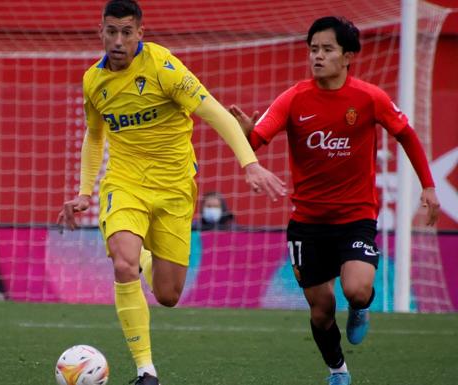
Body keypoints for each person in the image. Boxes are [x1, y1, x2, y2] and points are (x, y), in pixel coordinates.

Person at [57, 1, 286, 384]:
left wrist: (250, 163)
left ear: (140, 33)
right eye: (110, 31)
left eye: (126, 32)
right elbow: (95, 135)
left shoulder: (164, 68)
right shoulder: (93, 81)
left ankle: (146, 259)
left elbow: (214, 111)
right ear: (100, 31)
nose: (117, 40)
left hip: (175, 188)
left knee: (167, 294)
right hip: (124, 184)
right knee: (123, 261)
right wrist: (84, 191)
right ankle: (146, 371)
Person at [229, 16, 440, 385]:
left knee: (356, 289)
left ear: (347, 57)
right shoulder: (294, 98)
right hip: (307, 222)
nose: (318, 56)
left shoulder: (369, 98)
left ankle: (361, 308)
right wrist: (246, 134)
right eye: (313, 49)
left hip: (356, 216)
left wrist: (428, 185)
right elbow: (256, 141)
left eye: (327, 49)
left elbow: (406, 134)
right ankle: (337, 369)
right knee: (321, 309)